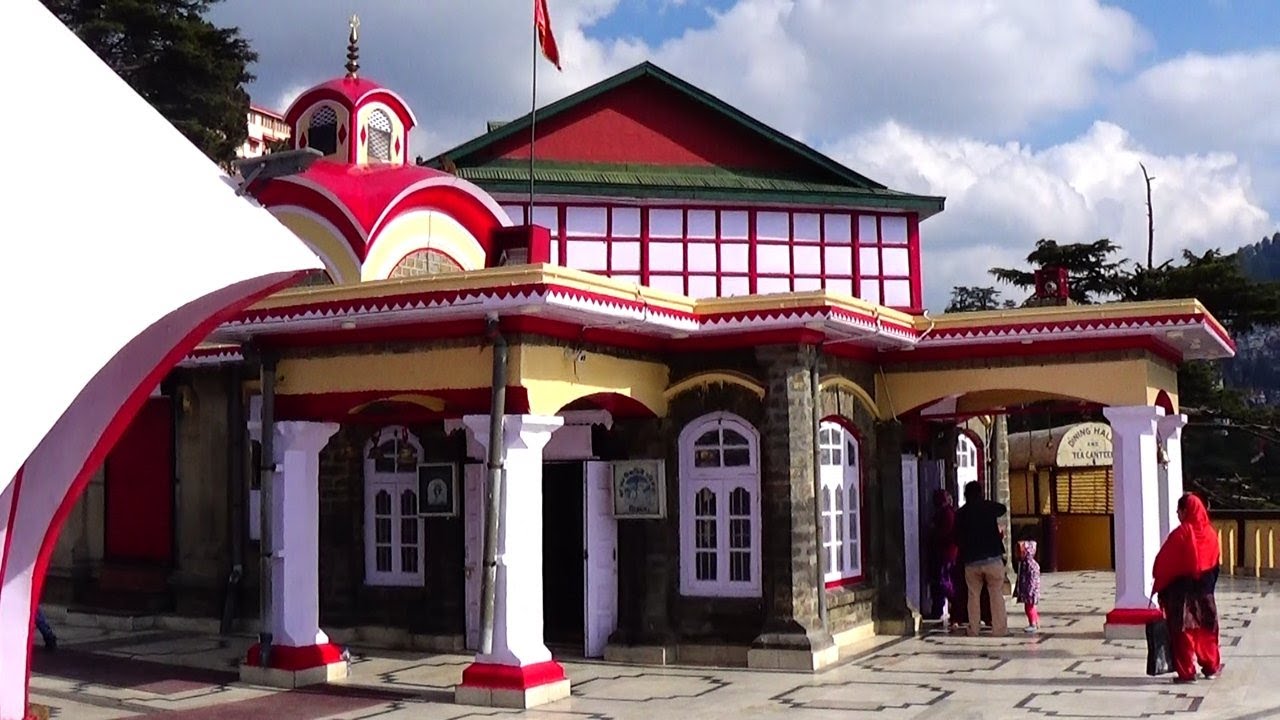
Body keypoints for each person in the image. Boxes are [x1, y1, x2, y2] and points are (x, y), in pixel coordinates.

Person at [1153, 492, 1222, 683]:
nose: (1178, 515)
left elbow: (1162, 564)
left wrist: (1162, 588)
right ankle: (1210, 666)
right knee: (1207, 631)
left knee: (1183, 632)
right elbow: (1215, 565)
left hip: (1181, 594)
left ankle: (1187, 672)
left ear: (1186, 511)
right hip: (1205, 593)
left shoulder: (1180, 534)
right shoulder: (1210, 534)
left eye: (1179, 511)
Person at [955, 480, 1008, 636]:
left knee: (973, 595)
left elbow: (958, 535)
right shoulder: (989, 507)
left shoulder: (961, 513)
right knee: (996, 594)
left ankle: (974, 629)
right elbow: (1002, 508)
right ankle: (999, 629)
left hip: (972, 561)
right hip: (992, 558)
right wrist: (985, 502)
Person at [928, 489, 959, 630]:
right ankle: (939, 609)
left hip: (946, 554)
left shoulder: (947, 514)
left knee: (944, 582)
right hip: (945, 553)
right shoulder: (945, 513)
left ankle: (948, 608)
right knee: (940, 582)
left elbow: (944, 533)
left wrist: (933, 532)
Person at [1014, 539, 1041, 633]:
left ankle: (1032, 624)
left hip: (1029, 591)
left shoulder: (1028, 564)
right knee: (1032, 607)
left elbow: (1031, 580)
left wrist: (1027, 592)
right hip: (1031, 591)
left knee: (1029, 608)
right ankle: (1036, 622)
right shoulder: (1031, 563)